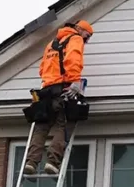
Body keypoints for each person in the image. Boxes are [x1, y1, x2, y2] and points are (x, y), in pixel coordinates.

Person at [24, 20, 93, 176]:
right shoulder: (75, 39)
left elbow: (42, 69)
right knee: (63, 124)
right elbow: (73, 59)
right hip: (63, 88)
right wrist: (74, 81)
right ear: (79, 29)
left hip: (46, 89)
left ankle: (31, 163)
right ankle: (52, 162)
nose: (86, 41)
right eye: (87, 36)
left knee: (41, 127)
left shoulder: (52, 43)